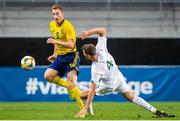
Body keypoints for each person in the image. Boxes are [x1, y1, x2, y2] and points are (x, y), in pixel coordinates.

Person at [75, 27, 174, 118]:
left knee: (82, 95)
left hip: (109, 86)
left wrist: (85, 107)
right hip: (118, 78)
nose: (84, 55)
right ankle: (154, 110)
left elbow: (92, 90)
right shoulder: (101, 49)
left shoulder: (96, 68)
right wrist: (88, 33)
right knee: (131, 97)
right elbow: (103, 31)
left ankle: (88, 111)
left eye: (84, 54)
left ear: (89, 55)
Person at [44, 3, 84, 111]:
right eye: (53, 14)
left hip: (71, 56)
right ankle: (69, 87)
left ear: (62, 13)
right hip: (60, 57)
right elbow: (56, 42)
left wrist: (55, 41)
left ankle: (83, 109)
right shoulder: (52, 25)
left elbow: (71, 45)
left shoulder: (68, 26)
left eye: (57, 14)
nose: (55, 16)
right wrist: (55, 54)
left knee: (71, 80)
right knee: (48, 76)